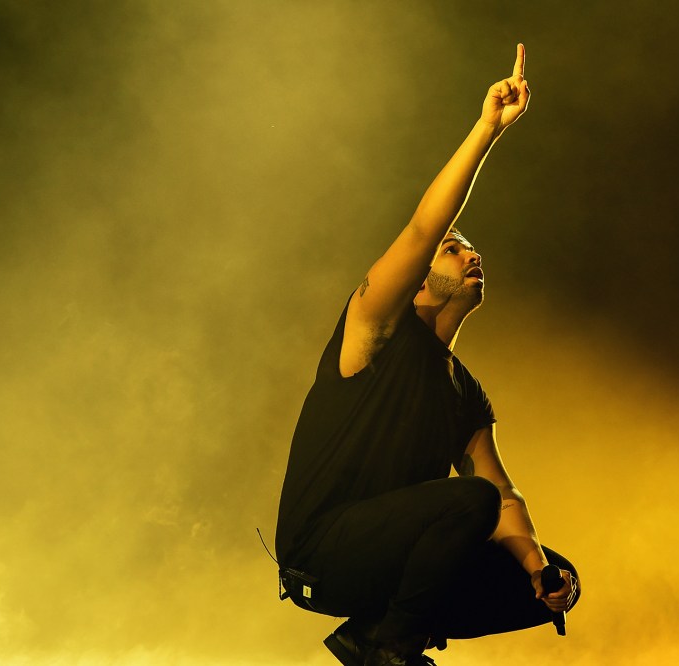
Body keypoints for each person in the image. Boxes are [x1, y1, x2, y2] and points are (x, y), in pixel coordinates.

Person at [274, 44, 579, 666]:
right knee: (468, 504)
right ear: (416, 280)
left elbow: (502, 493)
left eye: (469, 248)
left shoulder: (464, 392)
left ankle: (372, 632)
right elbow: (420, 228)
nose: (470, 254)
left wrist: (541, 571)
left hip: (383, 560)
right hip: (320, 553)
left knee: (541, 572)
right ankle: (393, 648)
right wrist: (487, 128)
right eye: (453, 248)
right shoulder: (375, 327)